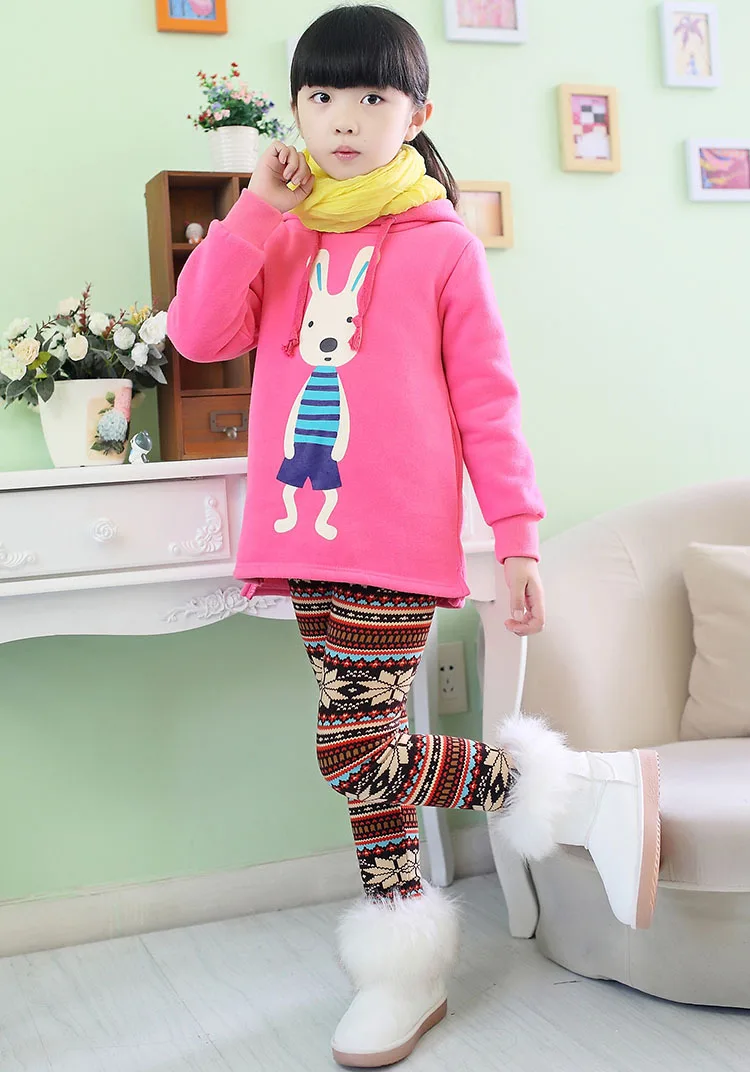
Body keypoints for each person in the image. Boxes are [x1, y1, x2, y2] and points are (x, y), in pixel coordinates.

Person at [167, 5, 661, 1066]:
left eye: (372, 96)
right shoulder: (279, 232)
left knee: (357, 747)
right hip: (301, 531)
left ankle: (566, 792)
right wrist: (253, 210)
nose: (344, 119)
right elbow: (197, 337)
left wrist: (518, 537)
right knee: (370, 761)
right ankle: (404, 966)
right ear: (296, 109)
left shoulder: (442, 246)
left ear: (417, 112)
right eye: (322, 96)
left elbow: (489, 401)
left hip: (395, 540)